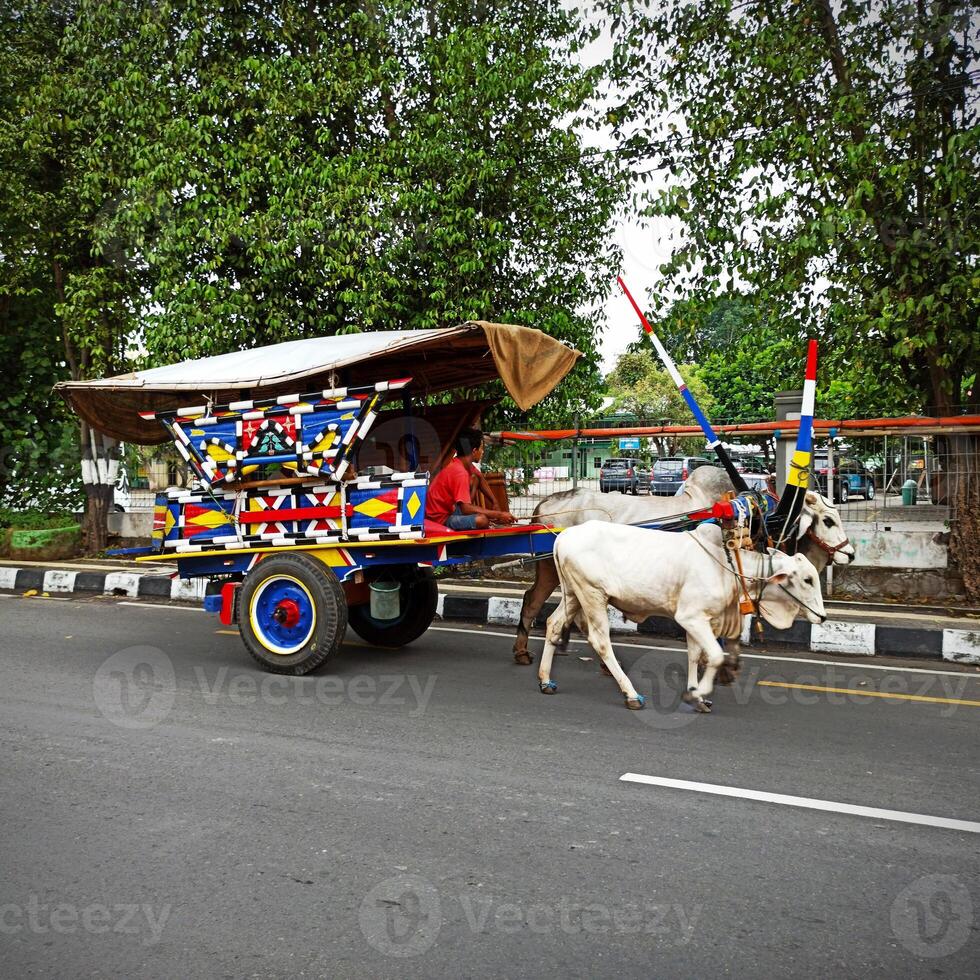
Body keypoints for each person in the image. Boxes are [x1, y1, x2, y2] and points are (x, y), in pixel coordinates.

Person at [426, 428, 517, 530]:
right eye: (481, 448)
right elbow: (465, 509)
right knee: (482, 520)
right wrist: (499, 514)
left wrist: (494, 502)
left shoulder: (460, 463)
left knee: (476, 478)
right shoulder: (460, 473)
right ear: (474, 451)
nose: (482, 452)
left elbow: (480, 478)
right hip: (440, 519)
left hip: (449, 510)